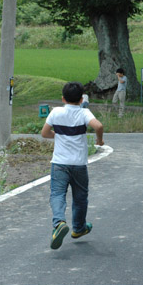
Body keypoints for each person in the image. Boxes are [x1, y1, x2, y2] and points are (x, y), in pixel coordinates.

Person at [41, 82, 104, 250]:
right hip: (79, 164)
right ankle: (78, 228)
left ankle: (59, 223)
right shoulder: (84, 112)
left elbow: (44, 133)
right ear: (82, 99)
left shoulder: (56, 112)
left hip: (59, 164)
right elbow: (98, 125)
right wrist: (99, 140)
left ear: (63, 99)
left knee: (57, 194)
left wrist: (57, 134)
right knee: (80, 197)